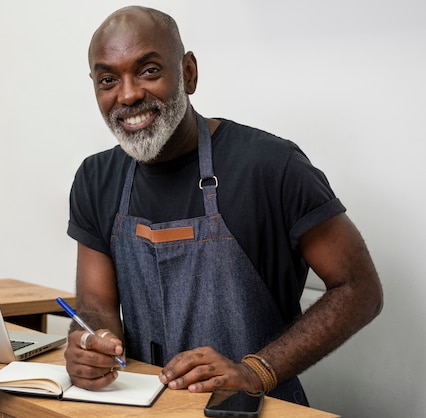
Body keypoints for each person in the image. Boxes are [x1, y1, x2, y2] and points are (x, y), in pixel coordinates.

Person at [64, 5, 383, 404]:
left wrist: (256, 370)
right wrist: (90, 340)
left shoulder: (271, 166)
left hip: (255, 410)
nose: (127, 94)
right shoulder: (96, 179)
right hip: (146, 408)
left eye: (149, 71)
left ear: (189, 73)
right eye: (108, 79)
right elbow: (96, 305)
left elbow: (359, 289)